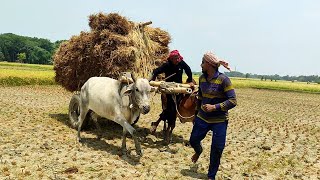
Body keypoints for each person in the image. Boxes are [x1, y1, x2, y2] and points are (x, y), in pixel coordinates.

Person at [189, 52, 237, 179]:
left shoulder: (224, 80)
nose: (201, 65)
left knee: (217, 148)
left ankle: (211, 176)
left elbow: (233, 101)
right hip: (202, 118)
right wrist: (195, 113)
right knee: (193, 140)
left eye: (203, 62)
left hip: (219, 120)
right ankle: (198, 151)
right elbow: (200, 97)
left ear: (209, 64)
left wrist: (214, 107)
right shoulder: (202, 78)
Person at [150, 50, 194, 143]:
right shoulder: (167, 65)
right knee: (171, 109)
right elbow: (156, 71)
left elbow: (188, 70)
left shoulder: (181, 63)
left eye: (178, 58)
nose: (178, 60)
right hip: (169, 89)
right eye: (175, 59)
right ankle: (166, 127)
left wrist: (190, 80)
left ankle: (159, 122)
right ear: (171, 59)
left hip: (180, 87)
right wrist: (152, 81)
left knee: (180, 104)